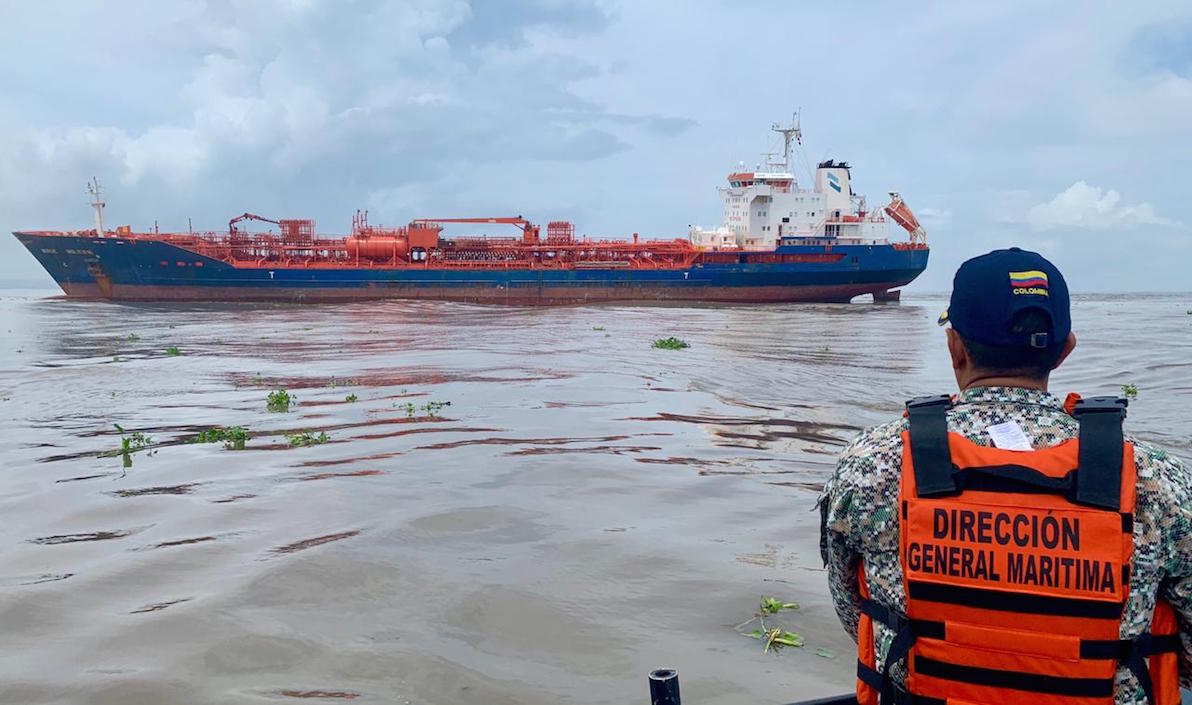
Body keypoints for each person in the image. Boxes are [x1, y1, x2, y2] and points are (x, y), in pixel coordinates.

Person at [819, 248, 1192, 705]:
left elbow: (852, 608)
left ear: (954, 346)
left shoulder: (871, 465)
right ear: (1064, 350)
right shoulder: (1157, 480)